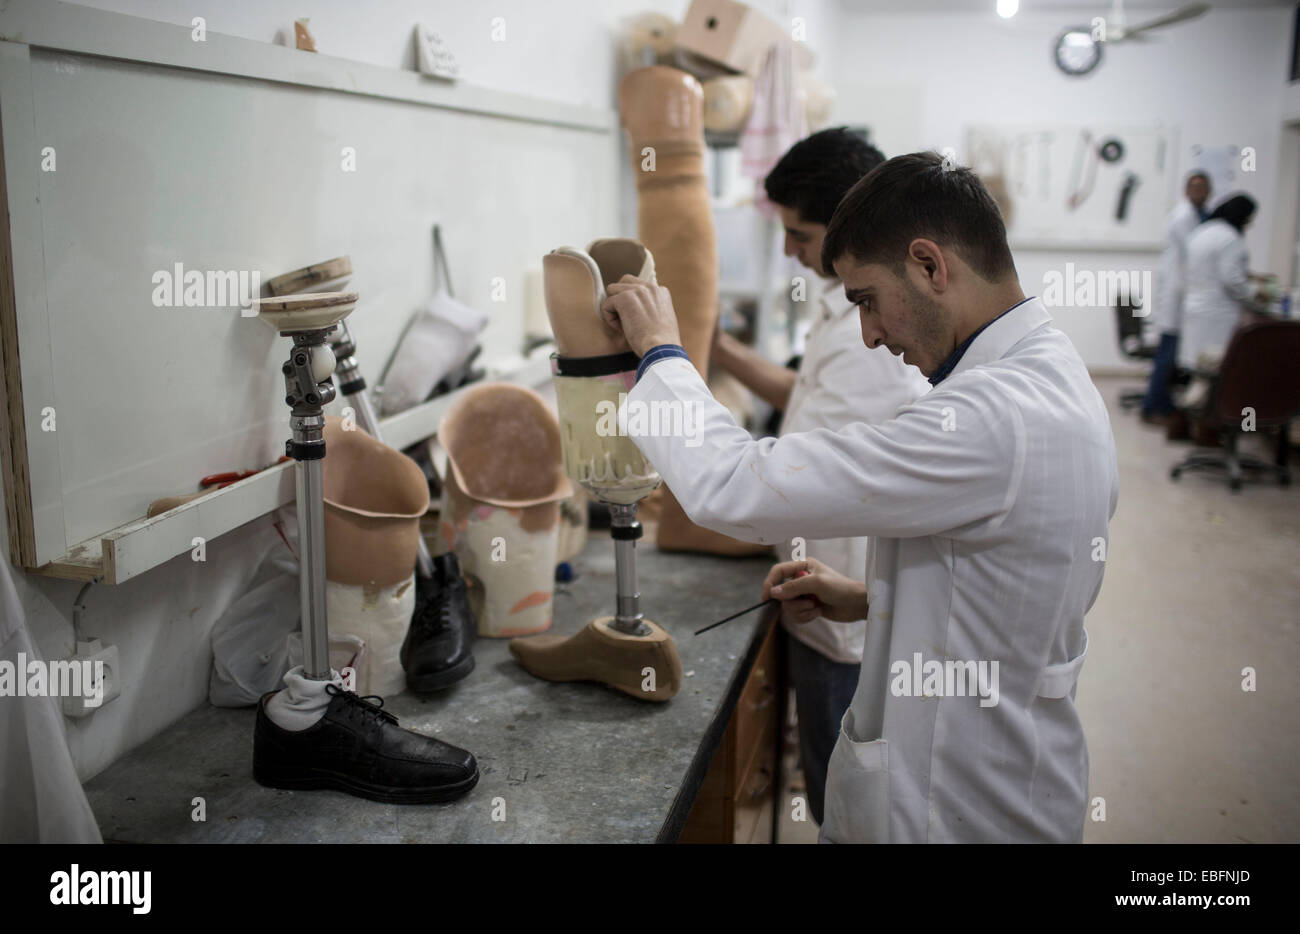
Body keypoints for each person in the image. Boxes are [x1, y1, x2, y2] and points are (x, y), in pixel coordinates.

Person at [601, 152, 1118, 843]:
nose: (870, 334)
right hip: (1001, 770)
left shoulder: (993, 418)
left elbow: (732, 484)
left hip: (957, 804)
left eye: (868, 299)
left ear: (930, 265)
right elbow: (1019, 582)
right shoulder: (1049, 372)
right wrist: (877, 599)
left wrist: (660, 352)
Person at [710, 128, 929, 826]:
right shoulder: (846, 315)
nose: (787, 250)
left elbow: (791, 475)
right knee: (835, 782)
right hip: (825, 594)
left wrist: (665, 370)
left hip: (840, 621)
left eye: (798, 233)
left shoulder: (868, 337)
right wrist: (718, 350)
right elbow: (805, 394)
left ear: (846, 225)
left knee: (844, 802)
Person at [1140, 171, 1211, 423]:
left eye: (1202, 187)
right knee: (1167, 356)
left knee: (1171, 356)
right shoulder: (1184, 218)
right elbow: (1198, 252)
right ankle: (1152, 407)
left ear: (1209, 190)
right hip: (1176, 297)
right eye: (1194, 186)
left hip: (1184, 297)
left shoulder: (1200, 216)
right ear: (1185, 190)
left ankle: (1164, 404)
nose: (1198, 191)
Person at [1177, 194, 1260, 375]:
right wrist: (1255, 293)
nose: (1249, 224)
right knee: (1216, 369)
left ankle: (1197, 402)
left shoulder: (1203, 232)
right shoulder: (1230, 238)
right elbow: (1231, 279)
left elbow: (1207, 268)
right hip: (1217, 313)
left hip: (1195, 307)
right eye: (1248, 219)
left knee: (1198, 368)